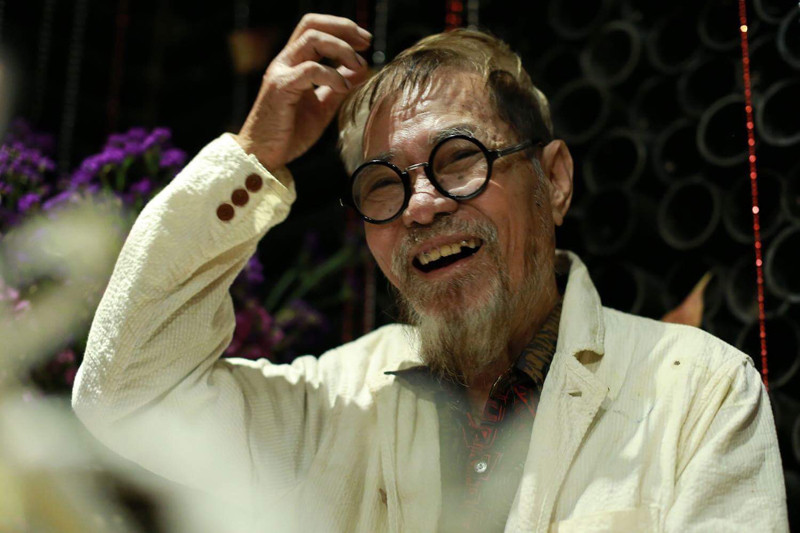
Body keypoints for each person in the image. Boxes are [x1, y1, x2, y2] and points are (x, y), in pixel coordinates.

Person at [72, 13, 788, 532]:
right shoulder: (335, 406)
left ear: (554, 180)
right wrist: (254, 154)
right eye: (383, 184)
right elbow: (126, 394)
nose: (420, 206)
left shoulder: (698, 390)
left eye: (461, 160)